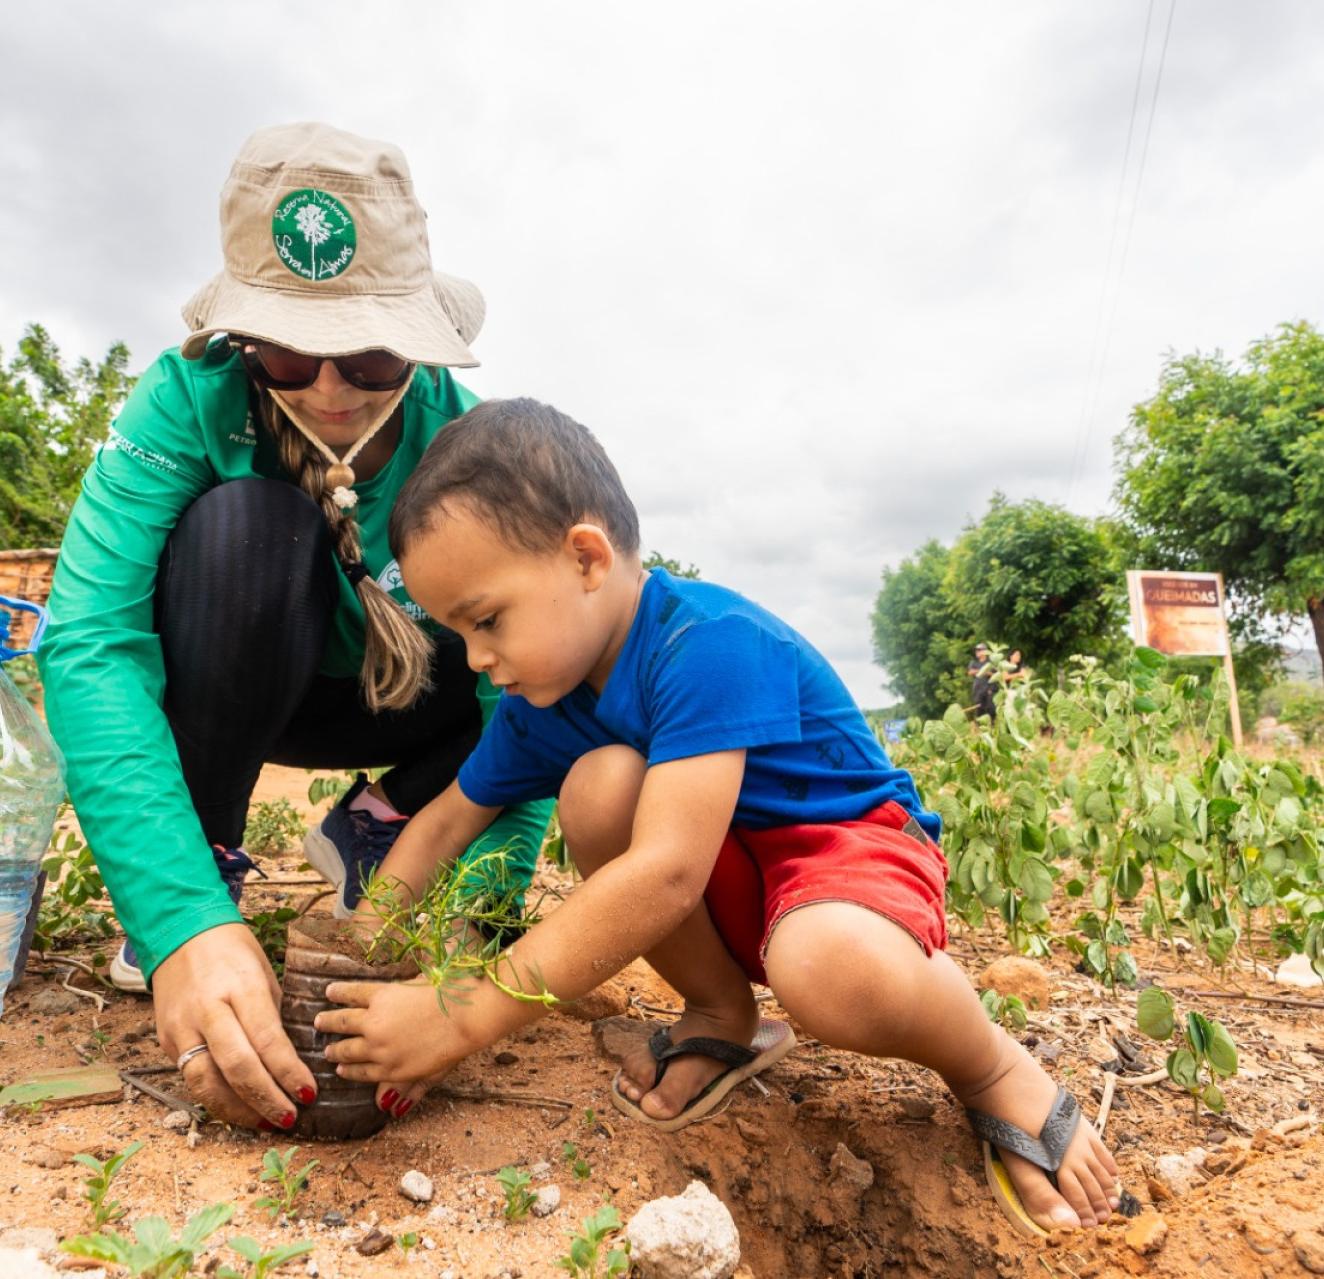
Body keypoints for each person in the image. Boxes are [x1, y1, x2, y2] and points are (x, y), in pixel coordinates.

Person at [315, 399, 1124, 1233]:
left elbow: (667, 874)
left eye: (487, 621)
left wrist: (460, 1015)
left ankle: (992, 1068)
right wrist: (372, 977)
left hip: (851, 847)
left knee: (826, 965)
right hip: (740, 873)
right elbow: (444, 821)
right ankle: (720, 1013)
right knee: (600, 786)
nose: (478, 658)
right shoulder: (540, 702)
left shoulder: (705, 642)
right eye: (458, 632)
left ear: (587, 558)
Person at [37, 124, 551, 1133]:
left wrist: (480, 925)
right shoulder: (189, 401)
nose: (329, 391)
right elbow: (91, 640)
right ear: (241, 341)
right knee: (247, 530)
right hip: (252, 684)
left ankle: (375, 832)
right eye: (286, 351)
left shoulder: (467, 441)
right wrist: (178, 916)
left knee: (529, 649)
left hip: (411, 712)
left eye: (366, 356)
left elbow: (534, 701)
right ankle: (206, 861)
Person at [968, 642, 996, 720]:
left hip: (989, 689)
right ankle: (980, 728)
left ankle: (993, 726)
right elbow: (970, 672)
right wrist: (982, 671)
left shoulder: (990, 662)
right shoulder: (974, 662)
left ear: (985, 651)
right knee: (979, 710)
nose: (977, 652)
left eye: (979, 650)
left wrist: (980, 671)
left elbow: (992, 673)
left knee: (991, 709)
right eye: (976, 650)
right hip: (978, 690)